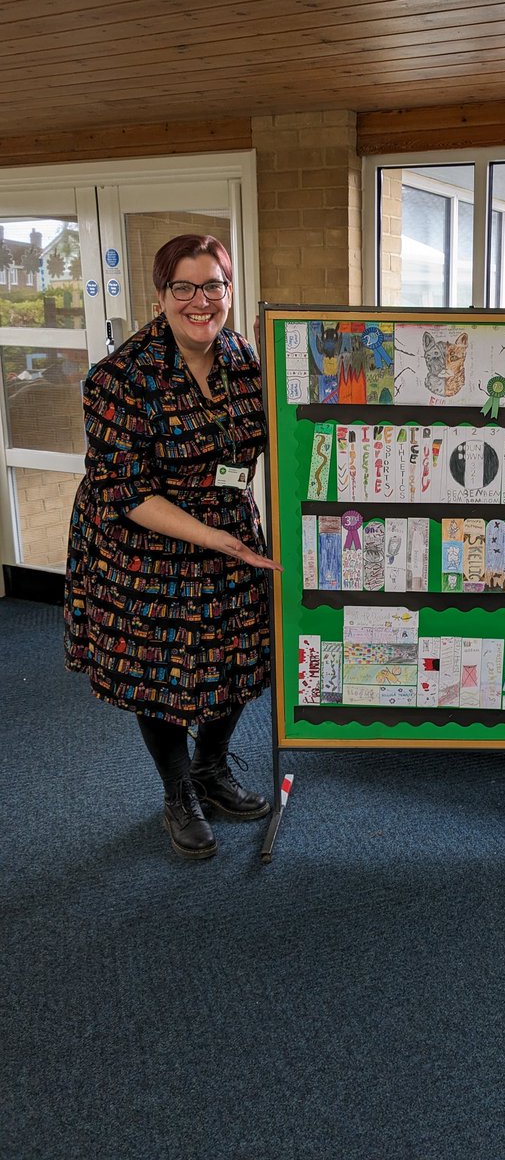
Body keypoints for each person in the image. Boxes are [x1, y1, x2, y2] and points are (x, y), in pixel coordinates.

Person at [65, 234, 281, 860]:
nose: (199, 300)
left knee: (238, 658)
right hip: (141, 543)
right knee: (158, 674)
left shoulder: (246, 360)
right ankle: (178, 790)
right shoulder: (117, 379)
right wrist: (218, 538)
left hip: (228, 529)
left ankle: (211, 769)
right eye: (183, 287)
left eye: (213, 285)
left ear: (229, 292)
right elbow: (129, 492)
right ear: (160, 296)